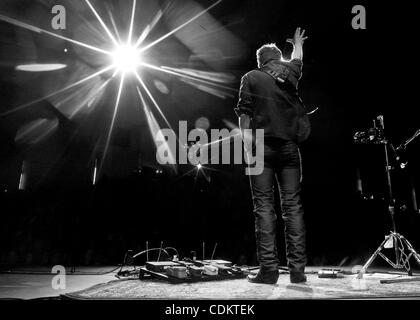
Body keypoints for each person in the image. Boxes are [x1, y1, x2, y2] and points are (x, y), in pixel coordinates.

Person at [235, 27, 310, 284]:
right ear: (279, 58)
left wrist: (247, 148)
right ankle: (298, 271)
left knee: (264, 208)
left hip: (260, 149)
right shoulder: (290, 73)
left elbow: (244, 113)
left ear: (260, 61)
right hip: (290, 148)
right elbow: (298, 58)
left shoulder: (251, 77)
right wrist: (298, 43)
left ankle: (269, 271)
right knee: (293, 208)